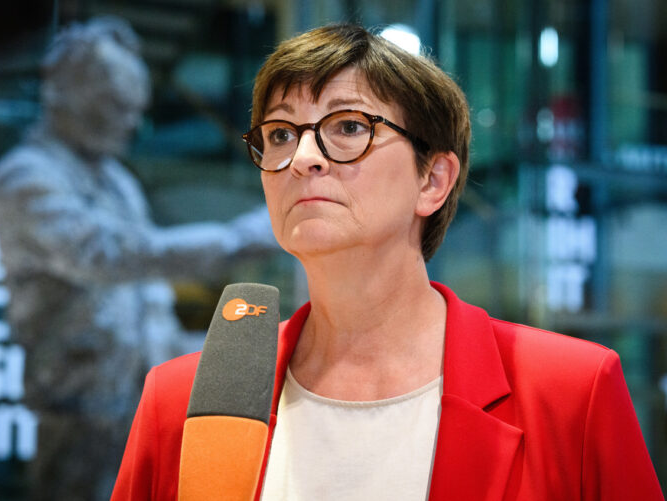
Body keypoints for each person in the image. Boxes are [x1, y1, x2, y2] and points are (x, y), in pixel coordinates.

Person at [111, 24, 663, 501]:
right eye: (280, 134)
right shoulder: (182, 401)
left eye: (349, 127)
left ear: (433, 180)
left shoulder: (571, 391)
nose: (302, 159)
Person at [0, 17, 274, 501]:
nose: (132, 124)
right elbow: (110, 256)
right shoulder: (25, 178)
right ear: (69, 97)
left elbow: (145, 298)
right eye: (115, 107)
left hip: (139, 401)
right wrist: (232, 241)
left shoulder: (116, 180)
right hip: (81, 407)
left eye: (133, 109)